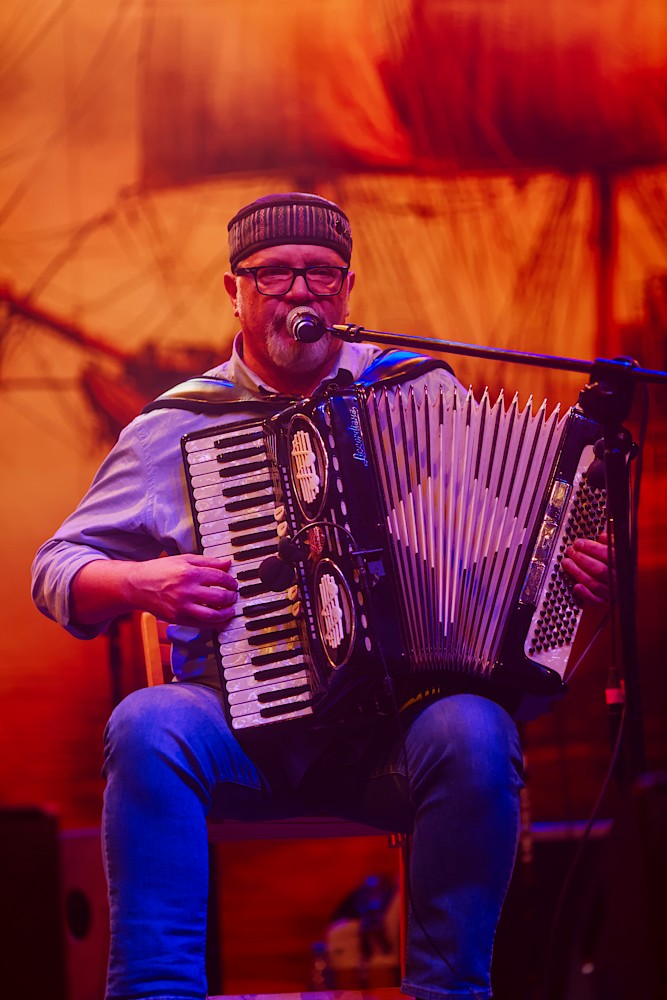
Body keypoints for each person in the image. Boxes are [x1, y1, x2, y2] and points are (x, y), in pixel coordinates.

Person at [32, 192, 613, 1000]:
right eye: (275, 274)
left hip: (396, 739)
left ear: (346, 291)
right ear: (232, 291)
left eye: (321, 274)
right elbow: (57, 568)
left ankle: (449, 992)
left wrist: (567, 574)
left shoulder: (417, 391)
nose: (301, 291)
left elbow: (497, 550)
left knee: (476, 730)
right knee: (147, 725)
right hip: (245, 736)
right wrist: (140, 581)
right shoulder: (176, 426)